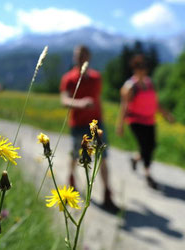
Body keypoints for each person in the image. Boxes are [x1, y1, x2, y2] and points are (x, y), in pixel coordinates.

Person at [60, 45, 118, 211]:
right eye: (77, 55)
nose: (80, 58)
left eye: (83, 55)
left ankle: (107, 194)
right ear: (74, 57)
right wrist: (81, 103)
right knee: (75, 155)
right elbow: (64, 100)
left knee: (103, 157)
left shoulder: (96, 78)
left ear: (89, 57)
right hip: (77, 124)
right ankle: (71, 180)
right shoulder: (68, 78)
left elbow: (97, 98)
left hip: (96, 124)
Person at [116, 54, 174, 189]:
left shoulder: (150, 83)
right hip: (136, 121)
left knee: (152, 145)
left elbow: (156, 103)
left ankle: (135, 159)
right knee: (145, 147)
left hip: (150, 120)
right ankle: (148, 175)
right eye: (140, 67)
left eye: (145, 67)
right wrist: (120, 125)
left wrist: (167, 115)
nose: (143, 70)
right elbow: (124, 105)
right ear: (134, 69)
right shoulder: (130, 86)